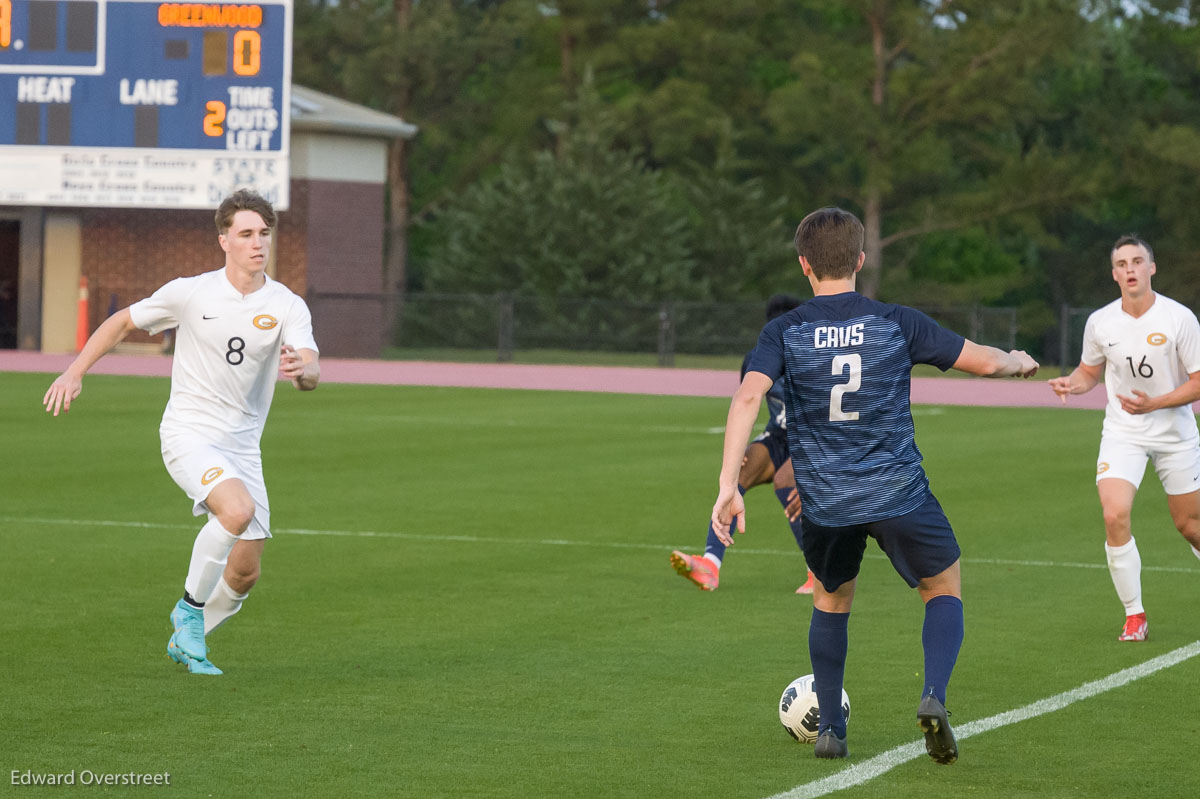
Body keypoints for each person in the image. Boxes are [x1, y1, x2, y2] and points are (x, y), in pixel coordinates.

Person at [710, 207, 1038, 762]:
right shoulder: (896, 320)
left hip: (824, 498)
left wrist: (728, 484)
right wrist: (1016, 361)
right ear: (860, 260)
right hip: (897, 491)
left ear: (804, 266)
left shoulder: (784, 331)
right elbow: (981, 363)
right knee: (942, 588)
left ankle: (831, 730)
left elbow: (746, 397)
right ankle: (933, 697)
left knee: (831, 598)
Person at [43, 189, 320, 676]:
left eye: (264, 234)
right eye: (246, 234)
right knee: (237, 511)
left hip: (242, 446)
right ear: (224, 241)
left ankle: (189, 639)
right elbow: (121, 322)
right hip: (189, 433)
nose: (258, 244)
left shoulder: (287, 305)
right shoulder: (190, 292)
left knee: (244, 571)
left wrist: (303, 371)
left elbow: (311, 368)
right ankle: (188, 611)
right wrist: (75, 371)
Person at [1049, 235, 1200, 643]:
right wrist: (1072, 384)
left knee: (1190, 526)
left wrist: (1158, 403)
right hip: (1123, 432)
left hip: (1175, 434)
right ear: (1114, 273)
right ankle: (1135, 615)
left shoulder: (1179, 319)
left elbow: (1198, 382)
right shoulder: (1101, 322)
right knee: (1114, 514)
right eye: (1122, 263)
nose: (1130, 269)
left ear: (1152, 268)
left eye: (1137, 261)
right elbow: (1089, 372)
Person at [670, 294, 816, 594]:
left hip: (814, 437)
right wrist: (742, 451)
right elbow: (748, 404)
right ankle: (710, 565)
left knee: (786, 480)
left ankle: (819, 573)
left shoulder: (815, 356)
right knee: (738, 471)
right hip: (779, 436)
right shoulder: (757, 358)